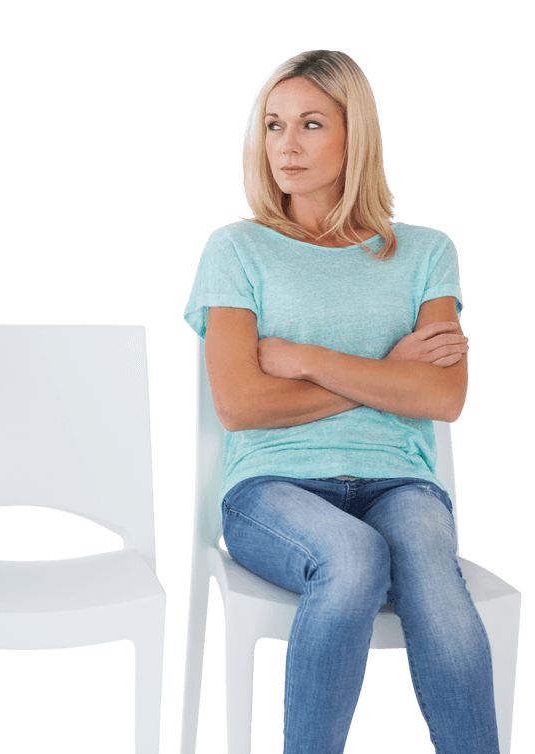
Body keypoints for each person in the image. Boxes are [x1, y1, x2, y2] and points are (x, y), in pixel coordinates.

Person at [183, 49, 497, 753]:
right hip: (272, 488)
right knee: (353, 557)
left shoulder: (424, 253)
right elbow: (239, 403)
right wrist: (384, 376)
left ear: (356, 137)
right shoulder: (237, 250)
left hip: (400, 481)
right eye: (272, 125)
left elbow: (442, 395)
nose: (286, 146)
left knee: (426, 560)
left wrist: (304, 360)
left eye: (311, 124)